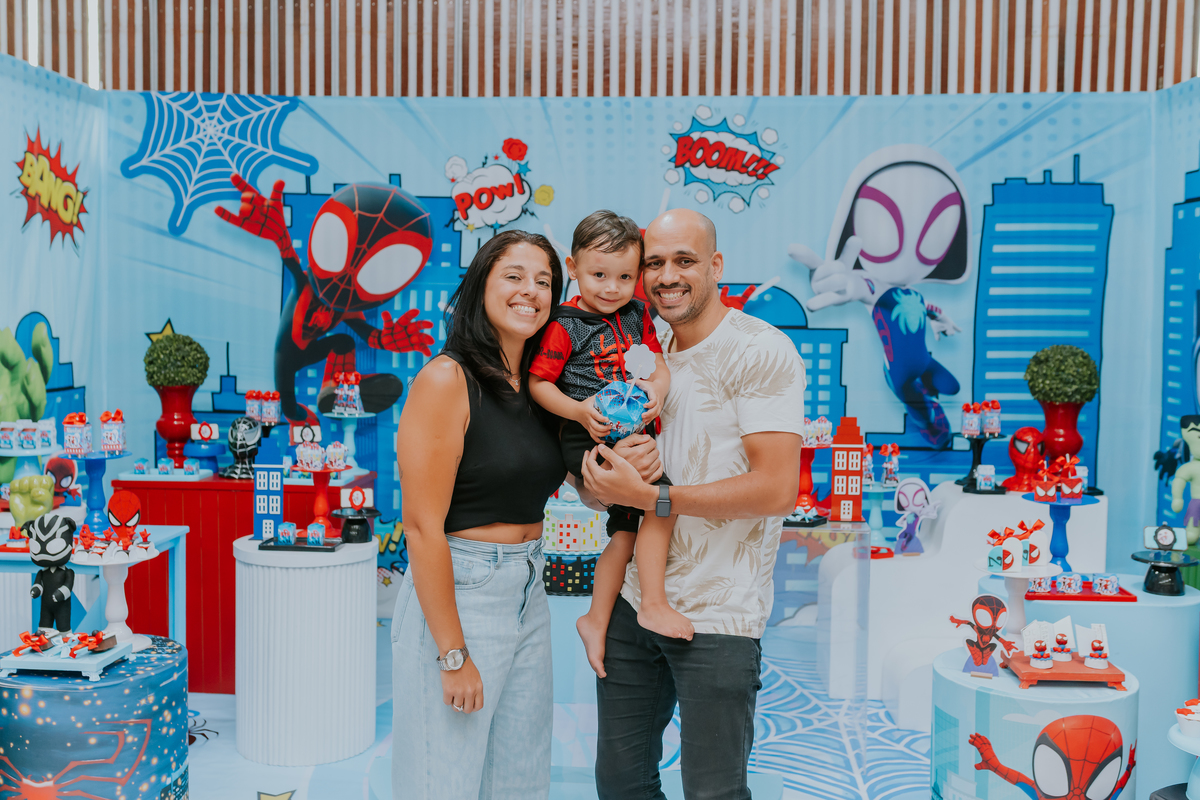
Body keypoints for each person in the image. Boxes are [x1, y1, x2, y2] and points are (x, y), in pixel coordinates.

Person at [390, 229, 663, 800]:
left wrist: (621, 469)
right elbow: (420, 527)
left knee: (520, 779)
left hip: (527, 589)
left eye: (543, 282)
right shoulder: (448, 378)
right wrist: (452, 652)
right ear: (481, 285)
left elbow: (584, 491)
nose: (530, 292)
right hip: (460, 589)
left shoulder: (545, 390)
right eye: (513, 276)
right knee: (445, 783)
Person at [582, 208, 806, 800]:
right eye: (653, 263)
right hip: (635, 604)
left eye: (683, 260)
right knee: (621, 784)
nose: (666, 276)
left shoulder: (760, 349)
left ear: (715, 265)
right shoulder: (637, 346)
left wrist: (653, 497)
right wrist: (596, 477)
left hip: (720, 614)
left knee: (713, 791)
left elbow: (777, 488)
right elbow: (606, 463)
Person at [528, 210, 690, 679]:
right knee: (663, 500)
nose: (612, 287)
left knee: (627, 526)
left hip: (630, 429)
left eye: (624, 276)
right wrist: (580, 412)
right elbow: (540, 384)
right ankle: (653, 603)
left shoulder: (637, 315)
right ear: (573, 267)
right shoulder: (564, 324)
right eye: (599, 275)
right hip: (589, 431)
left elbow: (657, 367)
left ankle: (595, 616)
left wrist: (657, 392)